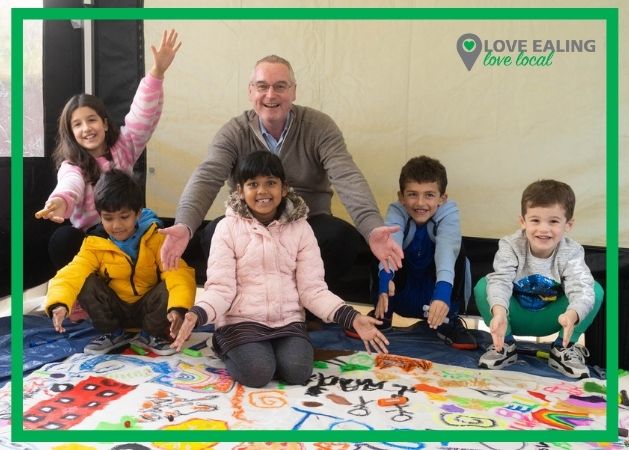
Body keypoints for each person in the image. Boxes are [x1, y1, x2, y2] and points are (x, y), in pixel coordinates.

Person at [159, 55, 403, 293]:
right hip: (250, 226)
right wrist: (184, 225)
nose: (270, 95)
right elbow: (207, 175)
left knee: (342, 238)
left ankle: (305, 305)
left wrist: (371, 227)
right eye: (262, 86)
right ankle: (249, 304)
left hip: (307, 223)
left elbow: (347, 176)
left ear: (294, 91)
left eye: (280, 86)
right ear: (250, 91)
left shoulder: (319, 126)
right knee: (213, 233)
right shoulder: (233, 132)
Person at [171, 151, 389, 388]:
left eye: (271, 183)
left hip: (287, 322)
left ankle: (267, 349)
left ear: (284, 189)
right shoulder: (226, 229)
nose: (263, 191)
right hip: (240, 321)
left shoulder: (301, 229)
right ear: (239, 191)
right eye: (253, 184)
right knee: (258, 373)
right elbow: (221, 289)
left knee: (298, 372)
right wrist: (197, 314)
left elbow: (313, 289)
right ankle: (224, 342)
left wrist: (352, 318)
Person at [36, 29, 182, 271]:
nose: (86, 129)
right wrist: (60, 202)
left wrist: (157, 73)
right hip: (94, 239)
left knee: (159, 233)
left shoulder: (124, 146)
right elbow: (69, 186)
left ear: (104, 123)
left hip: (128, 231)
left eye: (91, 120)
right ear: (71, 133)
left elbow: (142, 114)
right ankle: (88, 290)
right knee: (63, 239)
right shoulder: (72, 165)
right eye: (77, 124)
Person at [44, 169, 196, 356]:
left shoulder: (157, 238)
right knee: (85, 280)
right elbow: (71, 273)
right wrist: (58, 303)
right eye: (108, 218)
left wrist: (178, 307)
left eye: (124, 217)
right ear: (100, 216)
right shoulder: (94, 243)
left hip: (148, 310)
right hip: (114, 311)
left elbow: (178, 273)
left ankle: (151, 335)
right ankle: (113, 334)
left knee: (172, 278)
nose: (116, 225)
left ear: (138, 214)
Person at [474, 179, 604, 379]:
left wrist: (573, 314)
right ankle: (504, 345)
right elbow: (501, 281)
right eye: (535, 220)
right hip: (512, 317)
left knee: (593, 290)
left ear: (568, 224)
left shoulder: (571, 252)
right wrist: (499, 313)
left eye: (553, 221)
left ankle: (563, 347)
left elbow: (581, 287)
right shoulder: (510, 245)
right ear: (523, 221)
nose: (543, 229)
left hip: (555, 319)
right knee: (485, 285)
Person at [347, 156, 477, 350]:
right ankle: (384, 313)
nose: (420, 203)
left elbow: (445, 254)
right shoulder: (397, 211)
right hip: (401, 290)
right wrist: (385, 281)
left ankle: (447, 319)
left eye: (429, 195)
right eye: (412, 194)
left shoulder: (449, 214)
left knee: (456, 251)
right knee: (382, 242)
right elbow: (393, 244)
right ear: (401, 196)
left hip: (435, 291)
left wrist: (442, 295)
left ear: (443, 198)